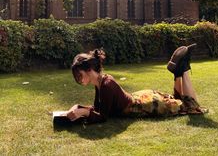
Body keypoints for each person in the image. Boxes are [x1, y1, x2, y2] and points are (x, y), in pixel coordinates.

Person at [67, 45, 207, 123]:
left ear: (89, 69)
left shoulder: (106, 85)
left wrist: (84, 112)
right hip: (141, 98)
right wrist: (79, 107)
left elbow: (103, 116)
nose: (78, 79)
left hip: (144, 105)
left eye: (79, 75)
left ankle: (184, 69)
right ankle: (177, 73)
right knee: (177, 100)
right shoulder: (101, 81)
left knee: (191, 106)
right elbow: (100, 108)